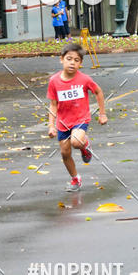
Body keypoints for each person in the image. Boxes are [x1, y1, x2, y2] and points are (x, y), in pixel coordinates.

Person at [47, 42, 107, 191]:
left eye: (76, 60)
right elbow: (53, 105)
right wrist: (51, 126)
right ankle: (75, 179)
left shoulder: (84, 79)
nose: (72, 63)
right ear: (61, 59)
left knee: (76, 142)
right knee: (65, 153)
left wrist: (102, 113)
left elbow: (98, 92)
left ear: (80, 63)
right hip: (63, 122)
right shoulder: (54, 81)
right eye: (69, 59)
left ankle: (85, 145)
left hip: (80, 119)